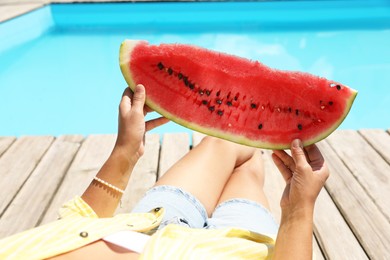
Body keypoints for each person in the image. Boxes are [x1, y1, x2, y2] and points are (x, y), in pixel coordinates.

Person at [0, 84, 329, 259]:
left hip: (149, 227)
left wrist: (125, 152)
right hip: (242, 250)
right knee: (246, 167)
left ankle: (249, 146)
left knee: (226, 142)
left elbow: (77, 226)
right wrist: (299, 210)